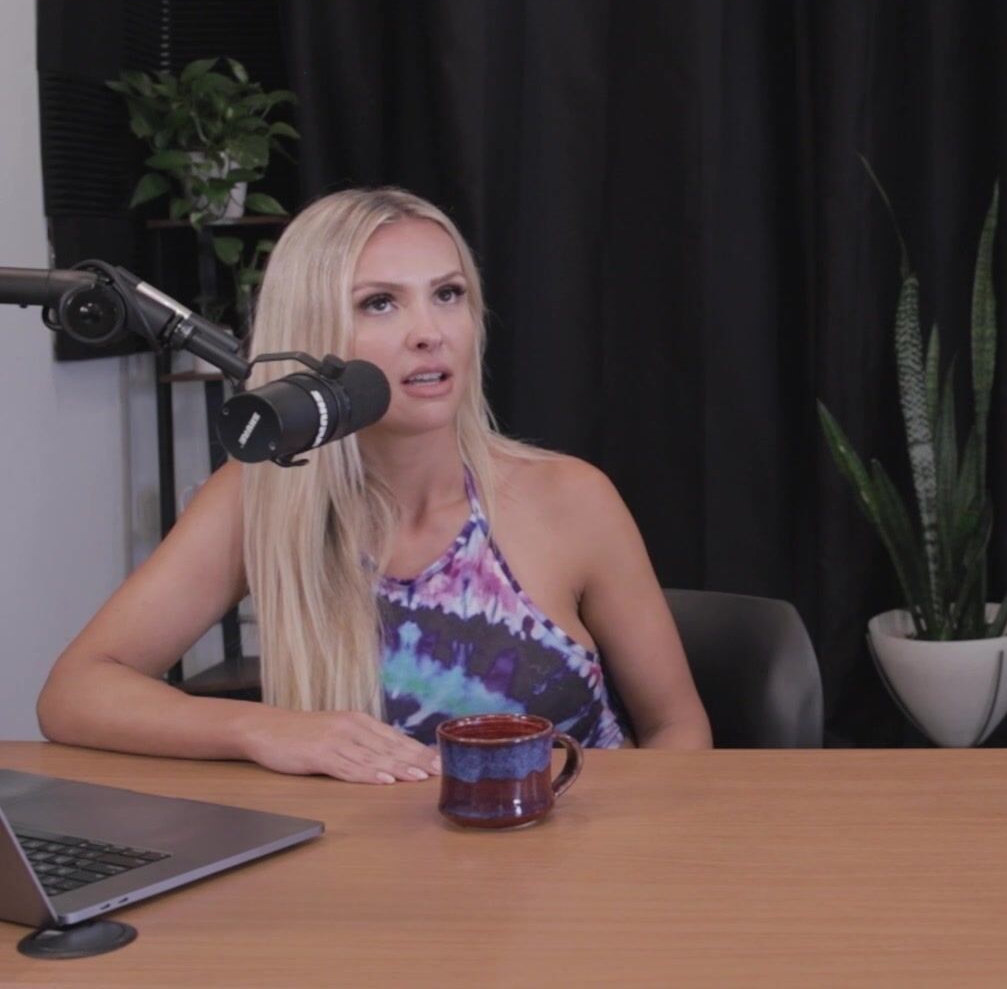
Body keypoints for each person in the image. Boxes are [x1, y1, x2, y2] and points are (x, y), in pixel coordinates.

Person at [39, 188, 712, 782]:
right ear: (311, 335)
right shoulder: (257, 498)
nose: (430, 333)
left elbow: (678, 729)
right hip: (377, 869)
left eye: (448, 295)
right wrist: (259, 729)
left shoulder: (570, 498)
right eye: (380, 303)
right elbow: (75, 693)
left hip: (581, 857)